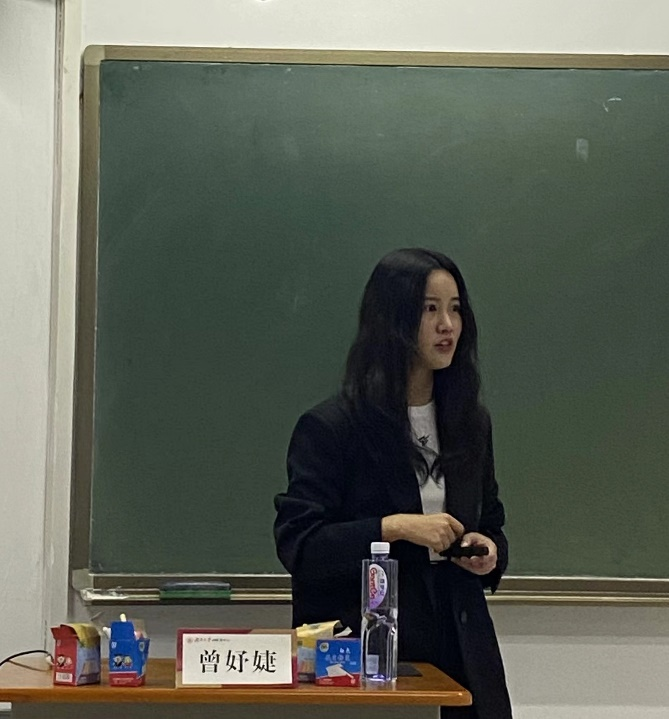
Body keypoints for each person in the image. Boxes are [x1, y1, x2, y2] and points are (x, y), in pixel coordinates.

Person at [274, 248, 512, 719]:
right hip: (370, 659)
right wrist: (395, 527)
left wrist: (489, 551)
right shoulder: (333, 427)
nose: (448, 325)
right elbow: (300, 545)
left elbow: (492, 520)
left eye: (456, 309)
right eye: (430, 309)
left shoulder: (469, 422)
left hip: (464, 650)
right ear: (393, 319)